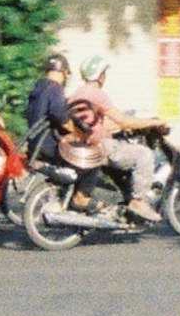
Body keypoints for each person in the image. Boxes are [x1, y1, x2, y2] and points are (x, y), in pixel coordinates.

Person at [61, 57, 162, 223]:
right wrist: (153, 122)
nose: (105, 77)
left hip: (83, 144)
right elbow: (124, 120)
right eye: (104, 73)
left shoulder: (76, 94)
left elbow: (94, 122)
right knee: (143, 154)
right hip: (101, 146)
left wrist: (120, 126)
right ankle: (138, 201)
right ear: (100, 75)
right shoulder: (97, 94)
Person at [24, 52, 71, 153]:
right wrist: (74, 130)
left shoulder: (39, 86)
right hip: (48, 148)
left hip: (33, 147)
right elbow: (58, 113)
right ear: (65, 72)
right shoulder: (55, 88)